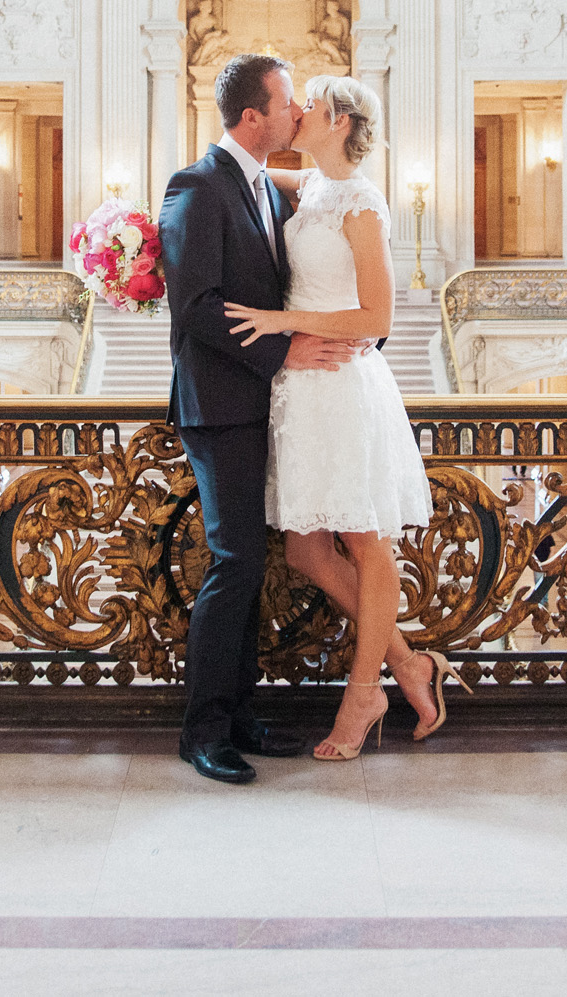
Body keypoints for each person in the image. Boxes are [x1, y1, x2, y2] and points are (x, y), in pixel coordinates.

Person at [223, 73, 466, 762]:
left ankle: (364, 691)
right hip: (303, 389)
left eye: (311, 104)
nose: (297, 110)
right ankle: (412, 666)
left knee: (364, 539)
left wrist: (283, 322)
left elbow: (379, 317)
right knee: (305, 549)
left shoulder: (361, 202)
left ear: (337, 120)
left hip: (342, 380)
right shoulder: (314, 187)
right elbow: (245, 175)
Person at [158, 53, 355, 785]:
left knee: (249, 563)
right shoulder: (196, 185)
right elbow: (198, 308)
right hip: (218, 406)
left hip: (260, 403)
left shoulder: (266, 187)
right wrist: (287, 351)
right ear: (252, 116)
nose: (296, 111)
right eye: (287, 101)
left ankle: (241, 715)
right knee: (235, 560)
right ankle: (202, 728)